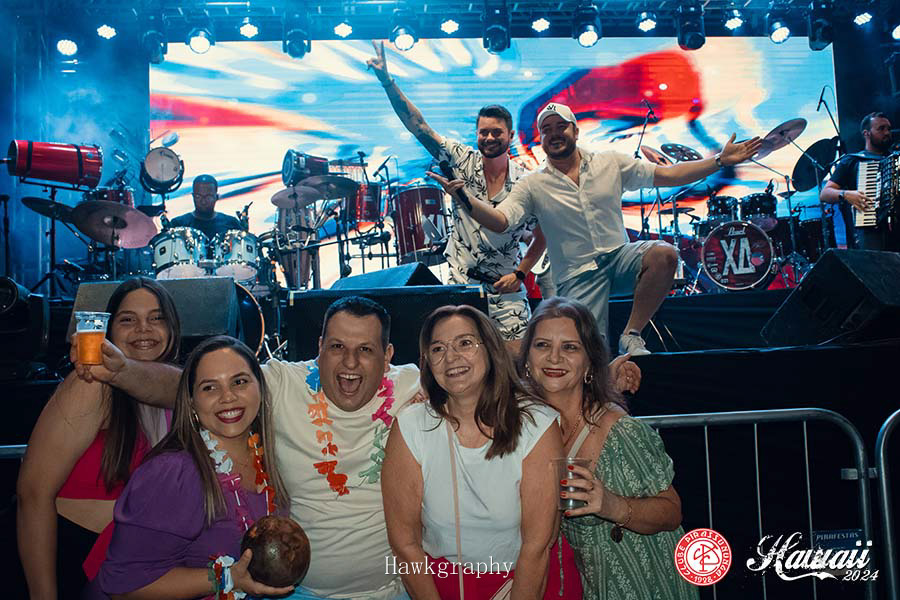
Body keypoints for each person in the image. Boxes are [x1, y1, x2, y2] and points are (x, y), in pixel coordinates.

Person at [82, 295, 421, 599]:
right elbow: (184, 383)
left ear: (388, 356)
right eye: (336, 347)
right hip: (300, 594)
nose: (350, 363)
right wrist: (121, 371)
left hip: (394, 589)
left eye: (365, 349)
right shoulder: (282, 385)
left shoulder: (412, 387)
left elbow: (453, 381)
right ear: (319, 347)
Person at [430, 102, 762, 355]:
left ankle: (632, 334)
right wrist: (464, 198)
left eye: (561, 126)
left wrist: (719, 161)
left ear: (575, 131)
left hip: (619, 259)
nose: (554, 133)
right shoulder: (533, 184)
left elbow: (668, 175)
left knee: (664, 254)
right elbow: (501, 221)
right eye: (547, 129)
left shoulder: (610, 162)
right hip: (577, 276)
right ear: (541, 139)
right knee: (591, 357)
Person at [367, 41, 547, 345]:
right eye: (483, 132)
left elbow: (542, 236)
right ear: (476, 134)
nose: (489, 137)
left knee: (518, 361)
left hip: (506, 292)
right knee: (464, 360)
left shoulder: (525, 182)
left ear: (510, 136)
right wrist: (387, 81)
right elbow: (418, 125)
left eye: (496, 132)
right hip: (462, 288)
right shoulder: (462, 160)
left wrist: (520, 274)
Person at [518, 297, 697, 600]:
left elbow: (672, 511)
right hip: (590, 587)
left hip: (646, 585)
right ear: (527, 358)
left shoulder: (619, 431)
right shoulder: (530, 423)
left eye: (570, 347)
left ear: (589, 361)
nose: (554, 357)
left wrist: (612, 506)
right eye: (542, 345)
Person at [382, 305, 562, 599]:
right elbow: (405, 544)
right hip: (437, 587)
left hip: (519, 584)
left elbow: (537, 546)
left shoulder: (537, 425)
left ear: (490, 349)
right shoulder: (411, 426)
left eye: (465, 343)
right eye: (438, 349)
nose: (451, 357)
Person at [17, 276, 181, 599]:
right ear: (108, 331)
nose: (143, 330)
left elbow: (179, 384)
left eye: (156, 318)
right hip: (65, 557)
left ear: (173, 329)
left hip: (126, 566)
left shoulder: (176, 390)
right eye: (127, 320)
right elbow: (32, 494)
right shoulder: (92, 383)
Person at [93, 336, 293, 599]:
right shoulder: (174, 473)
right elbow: (123, 587)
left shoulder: (271, 456)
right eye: (210, 388)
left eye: (239, 382)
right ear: (191, 402)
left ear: (261, 388)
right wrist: (228, 578)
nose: (228, 397)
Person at [820, 112, 897, 251]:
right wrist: (846, 194)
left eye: (888, 129)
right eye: (881, 129)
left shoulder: (896, 159)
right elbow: (825, 193)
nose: (887, 133)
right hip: (872, 235)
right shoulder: (852, 161)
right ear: (866, 133)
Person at [169, 174, 245, 241]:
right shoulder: (178, 224)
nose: (203, 201)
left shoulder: (231, 223)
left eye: (208, 197)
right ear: (193, 196)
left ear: (216, 197)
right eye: (198, 196)